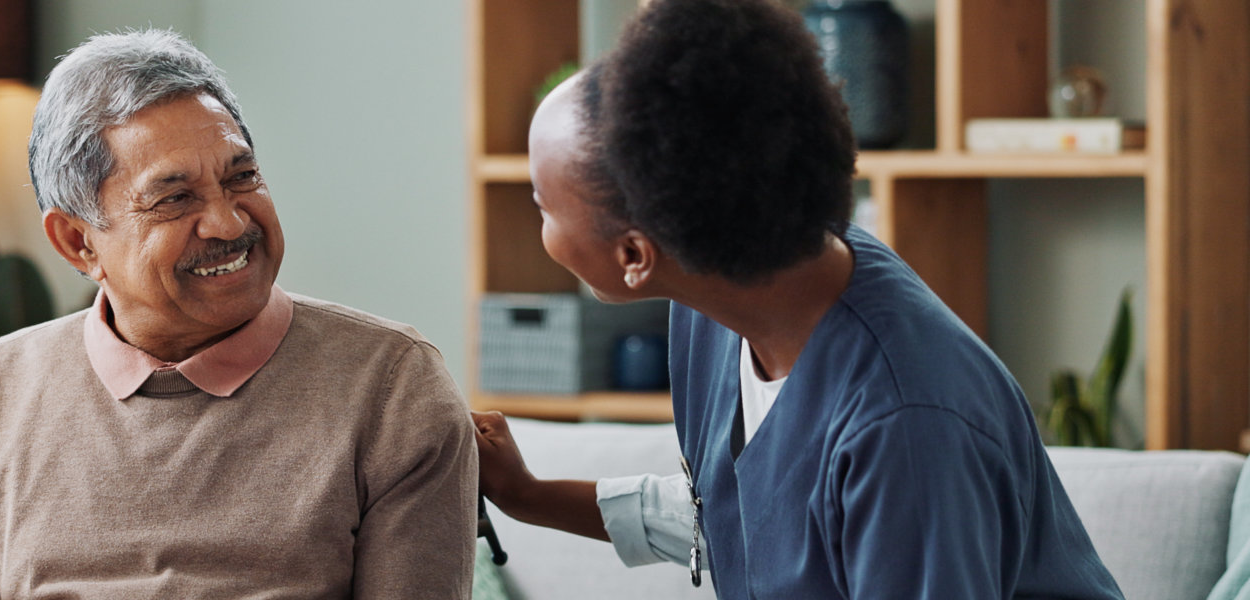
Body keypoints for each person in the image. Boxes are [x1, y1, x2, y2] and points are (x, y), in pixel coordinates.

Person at [470, 0, 1124, 597]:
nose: (541, 225)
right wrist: (529, 495)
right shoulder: (727, 298)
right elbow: (747, 516)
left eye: (541, 205)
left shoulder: (906, 426)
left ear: (635, 256)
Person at [0, 30, 476, 599]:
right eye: (175, 199)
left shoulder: (394, 387)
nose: (229, 224)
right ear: (78, 242)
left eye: (241, 177)